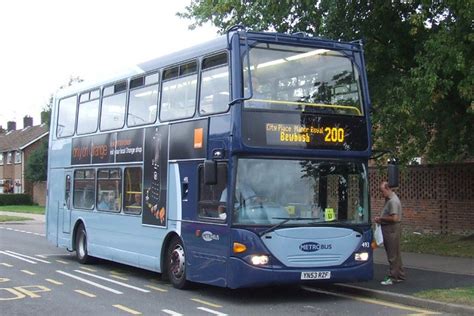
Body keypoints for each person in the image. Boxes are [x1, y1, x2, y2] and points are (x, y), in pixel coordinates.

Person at [374, 181, 406, 285]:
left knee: (392, 254)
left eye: (382, 191)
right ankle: (400, 275)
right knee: (396, 253)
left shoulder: (393, 201)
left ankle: (393, 277)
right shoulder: (389, 199)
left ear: (387, 189)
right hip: (390, 229)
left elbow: (394, 218)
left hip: (391, 230)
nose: (382, 194)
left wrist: (381, 218)